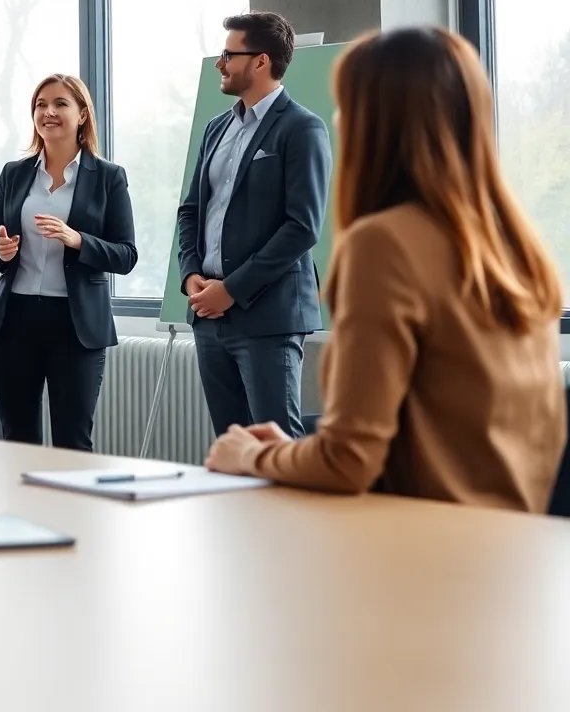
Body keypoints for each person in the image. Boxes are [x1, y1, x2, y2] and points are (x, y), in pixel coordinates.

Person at [205, 27, 566, 513]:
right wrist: (288, 451)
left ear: (374, 122)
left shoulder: (384, 245)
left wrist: (256, 455)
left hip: (416, 555)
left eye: (347, 107)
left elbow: (348, 460)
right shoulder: (518, 247)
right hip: (510, 553)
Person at [178, 11, 332, 439]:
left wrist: (232, 290)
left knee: (276, 451)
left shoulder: (302, 128)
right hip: (208, 315)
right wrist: (191, 274)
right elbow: (191, 210)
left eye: (228, 54)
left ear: (261, 62)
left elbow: (301, 228)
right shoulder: (215, 128)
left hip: (268, 317)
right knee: (233, 452)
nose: (219, 64)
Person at [0, 74, 138, 451]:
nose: (48, 112)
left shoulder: (108, 178)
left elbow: (127, 255)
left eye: (60, 104)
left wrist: (77, 239)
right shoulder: (13, 174)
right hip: (14, 321)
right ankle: (19, 512)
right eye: (40, 104)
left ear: (82, 114)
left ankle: (70, 513)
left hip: (76, 325)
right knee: (16, 440)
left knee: (73, 441)